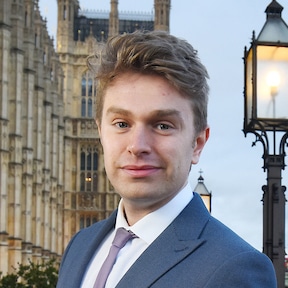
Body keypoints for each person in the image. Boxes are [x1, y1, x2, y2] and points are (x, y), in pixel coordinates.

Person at [57, 30, 276, 288]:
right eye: (121, 123)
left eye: (162, 126)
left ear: (197, 143)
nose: (137, 146)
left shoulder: (235, 268)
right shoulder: (80, 246)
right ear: (101, 132)